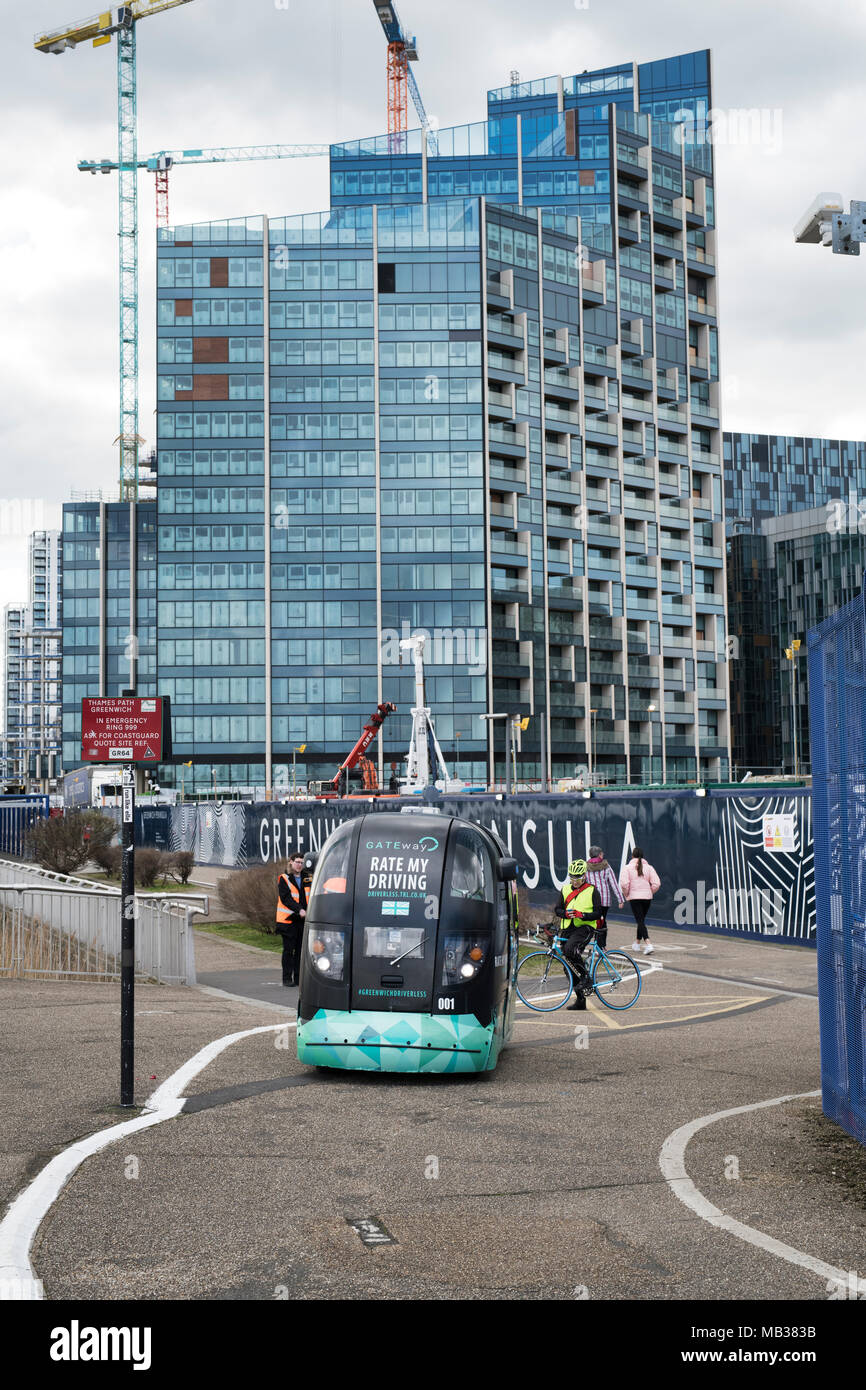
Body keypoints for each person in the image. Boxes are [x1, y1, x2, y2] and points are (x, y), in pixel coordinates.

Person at [554, 858, 602, 1011]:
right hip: (568, 927)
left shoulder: (592, 890)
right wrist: (566, 914)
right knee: (567, 965)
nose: (575, 880)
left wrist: (582, 915)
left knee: (570, 949)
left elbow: (598, 913)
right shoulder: (565, 890)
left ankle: (586, 978)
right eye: (572, 877)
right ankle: (581, 1000)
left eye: (578, 877)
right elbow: (557, 909)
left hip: (585, 927)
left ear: (584, 875)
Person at [619, 846, 660, 955]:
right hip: (647, 898)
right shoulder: (649, 867)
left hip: (635, 898)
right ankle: (637, 943)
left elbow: (624, 884)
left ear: (632, 856)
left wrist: (627, 894)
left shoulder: (627, 868)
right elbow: (657, 883)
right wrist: (649, 892)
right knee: (641, 920)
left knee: (640, 921)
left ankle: (648, 944)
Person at [275, 853, 309, 986]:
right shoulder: (284, 878)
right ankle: (287, 978)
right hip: (288, 920)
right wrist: (299, 909)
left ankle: (299, 978)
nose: (300, 865)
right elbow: (286, 899)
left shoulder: (308, 878)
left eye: (302, 862)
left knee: (300, 951)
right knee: (289, 951)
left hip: (302, 920)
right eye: (297, 862)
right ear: (291, 862)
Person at [585, 844, 625, 950]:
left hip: (591, 900)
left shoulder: (586, 867)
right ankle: (601, 946)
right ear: (599, 855)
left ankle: (592, 943)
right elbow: (613, 884)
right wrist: (620, 899)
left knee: (593, 921)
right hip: (604, 900)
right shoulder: (606, 866)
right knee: (602, 922)